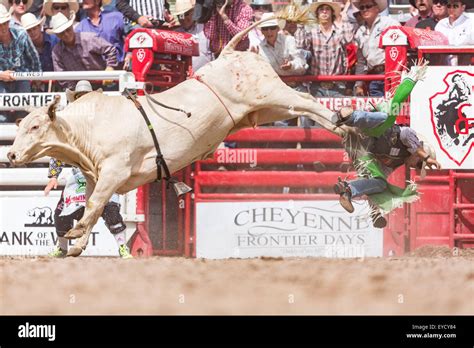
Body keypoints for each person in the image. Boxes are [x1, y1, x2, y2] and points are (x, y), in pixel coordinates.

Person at [333, 61, 441, 228]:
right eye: (419, 164)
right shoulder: (409, 137)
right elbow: (405, 135)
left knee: (380, 182)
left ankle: (348, 191)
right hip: (370, 128)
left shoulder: (396, 162)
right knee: (386, 119)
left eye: (419, 166)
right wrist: (426, 157)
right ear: (418, 153)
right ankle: (348, 117)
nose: (415, 167)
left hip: (362, 148)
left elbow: (374, 176)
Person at [45, 80, 133, 259]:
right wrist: (54, 176)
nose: (83, 100)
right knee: (62, 213)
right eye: (80, 97)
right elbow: (59, 148)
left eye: (85, 96)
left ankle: (123, 248)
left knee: (110, 211)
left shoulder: (104, 120)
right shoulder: (70, 123)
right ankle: (62, 248)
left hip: (102, 174)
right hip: (79, 176)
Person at [48, 12, 118, 89]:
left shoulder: (89, 39)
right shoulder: (57, 52)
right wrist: (74, 89)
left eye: (68, 30)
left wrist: (110, 67)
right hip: (78, 89)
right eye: (62, 33)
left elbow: (110, 49)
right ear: (57, 35)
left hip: (102, 84)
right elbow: (61, 76)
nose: (66, 34)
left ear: (72, 27)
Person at [300, 0, 354, 98]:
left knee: (341, 112)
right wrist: (300, 25)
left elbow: (348, 39)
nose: (324, 12)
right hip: (316, 86)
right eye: (321, 10)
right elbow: (300, 46)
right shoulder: (311, 33)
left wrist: (344, 16)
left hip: (337, 85)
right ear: (317, 14)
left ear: (332, 13)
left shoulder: (339, 33)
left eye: (327, 9)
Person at [353, 0, 400, 96]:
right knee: (377, 108)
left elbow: (399, 51)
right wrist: (359, 84)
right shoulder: (360, 32)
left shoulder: (389, 24)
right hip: (373, 77)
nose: (365, 9)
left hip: (391, 75)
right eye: (362, 8)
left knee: (394, 108)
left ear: (377, 8)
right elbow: (361, 61)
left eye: (368, 6)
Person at [0, 4, 41, 93]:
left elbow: (34, 58)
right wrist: (1, 75)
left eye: (5, 23)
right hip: (1, 81)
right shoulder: (21, 34)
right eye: (0, 25)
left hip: (22, 79)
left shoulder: (21, 34)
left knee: (25, 104)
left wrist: (37, 77)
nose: (3, 28)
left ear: (8, 22)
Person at [75, 0, 126, 66]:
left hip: (119, 68)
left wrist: (129, 55)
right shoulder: (80, 27)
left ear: (97, 1)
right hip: (95, 72)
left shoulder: (116, 17)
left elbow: (131, 36)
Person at [173, 0, 212, 71]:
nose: (184, 19)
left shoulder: (205, 29)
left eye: (187, 14)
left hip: (206, 74)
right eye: (180, 16)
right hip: (184, 77)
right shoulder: (175, 35)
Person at [435, 0, 473, 64]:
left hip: (467, 65)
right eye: (449, 6)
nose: (451, 9)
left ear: (463, 7)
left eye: (455, 6)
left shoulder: (471, 21)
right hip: (443, 67)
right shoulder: (440, 25)